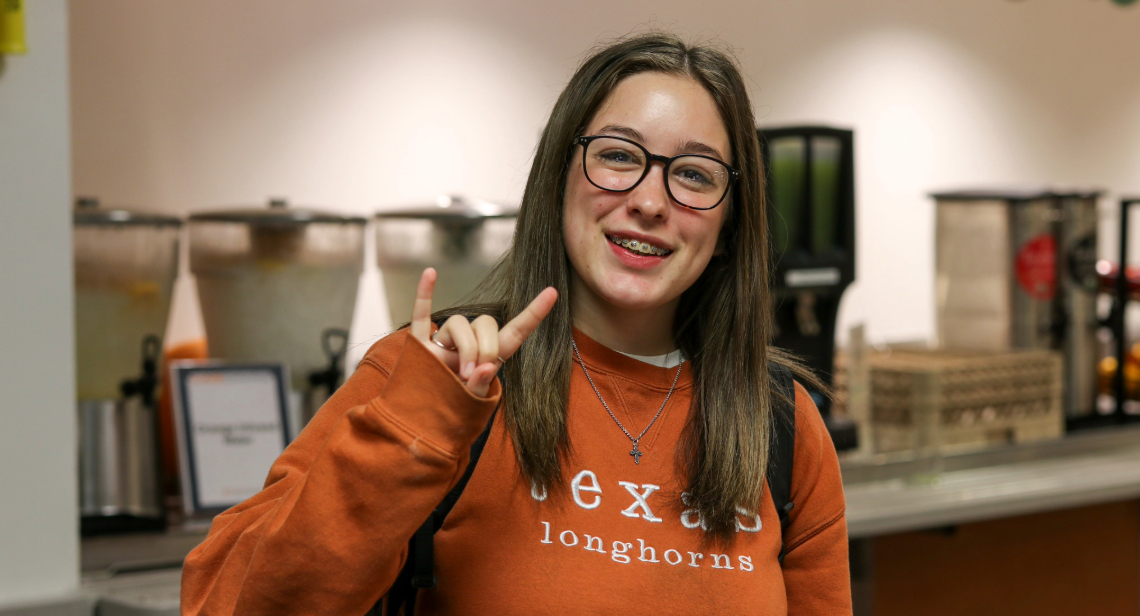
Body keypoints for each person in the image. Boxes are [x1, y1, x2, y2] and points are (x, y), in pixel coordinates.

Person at [181, 32, 850, 615]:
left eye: (695, 175)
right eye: (618, 156)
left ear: (732, 222)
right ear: (559, 176)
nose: (649, 200)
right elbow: (232, 605)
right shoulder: (432, 373)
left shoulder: (782, 426)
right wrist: (421, 423)